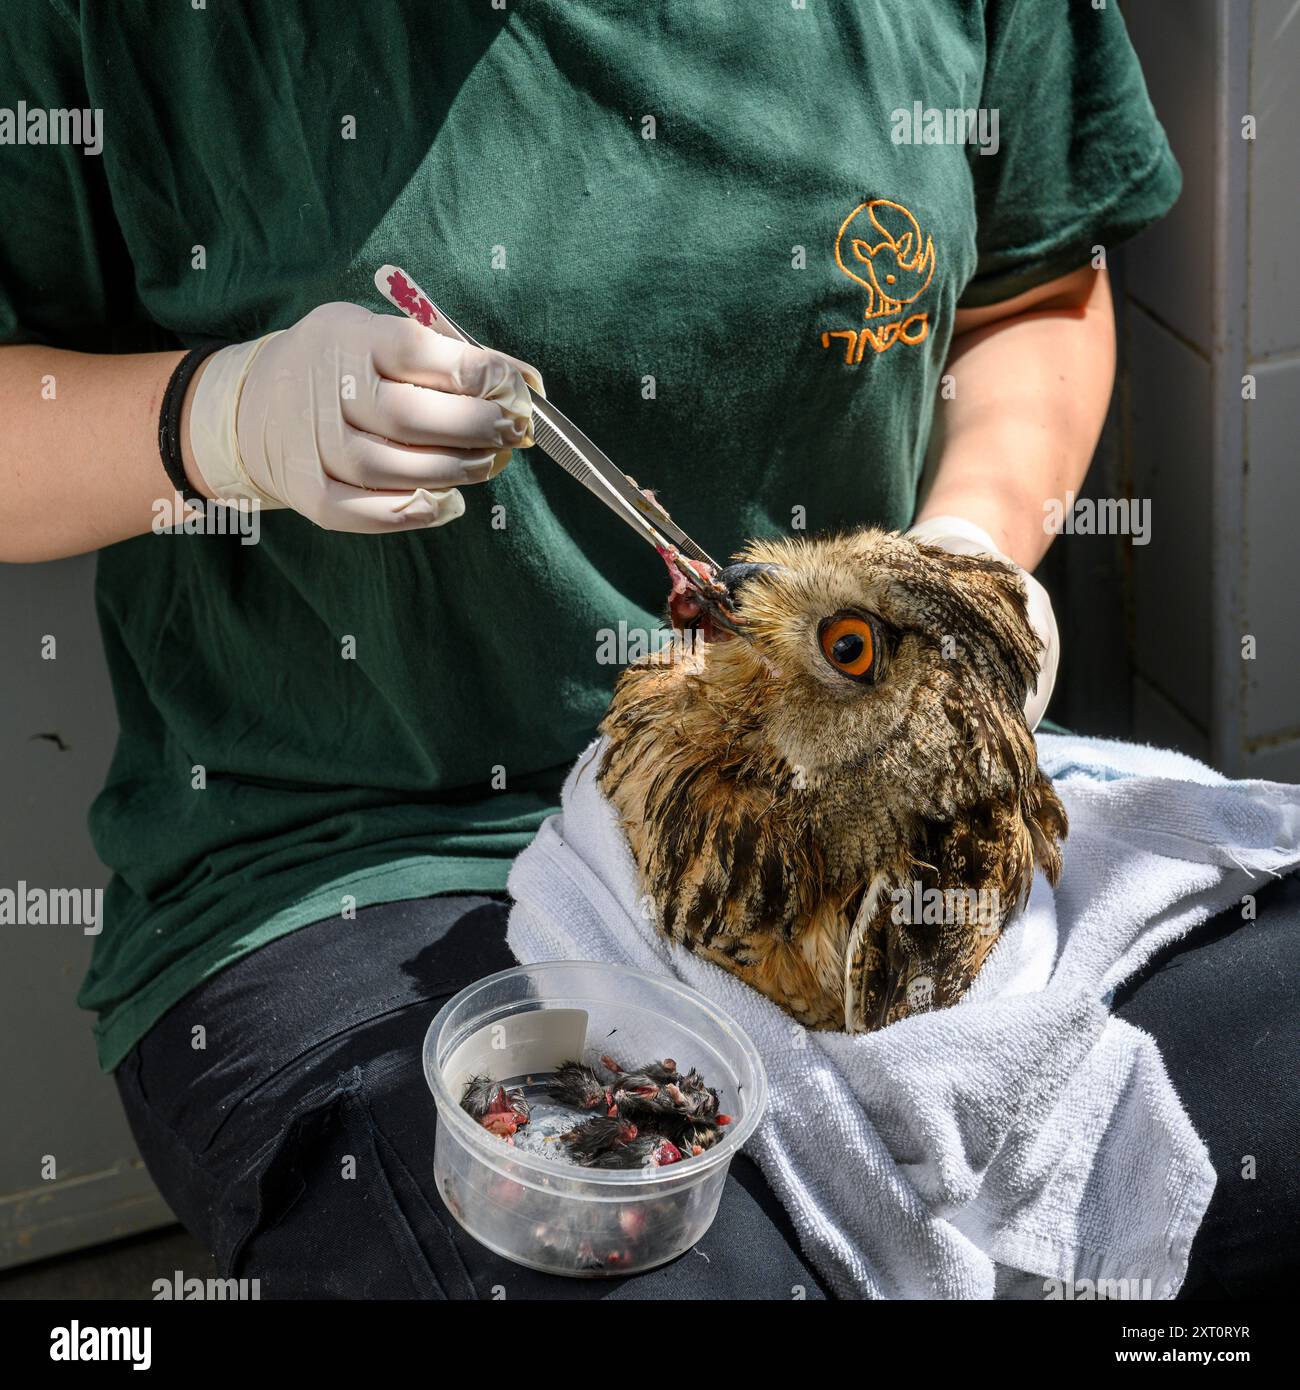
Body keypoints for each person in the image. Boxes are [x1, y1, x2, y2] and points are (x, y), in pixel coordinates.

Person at [5, 2, 1284, 1298]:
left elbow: (1038, 284)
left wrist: (970, 554)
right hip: (375, 858)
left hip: (875, 807)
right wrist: (215, 421)